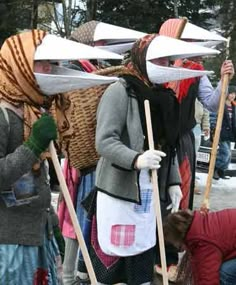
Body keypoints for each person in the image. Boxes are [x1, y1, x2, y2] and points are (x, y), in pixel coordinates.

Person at [0, 30, 61, 284]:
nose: (49, 68)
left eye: (52, 62)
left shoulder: (31, 109)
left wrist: (51, 221)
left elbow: (36, 178)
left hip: (37, 235)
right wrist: (34, 144)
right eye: (41, 61)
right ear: (20, 63)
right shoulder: (2, 112)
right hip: (10, 243)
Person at [163, 209, 236, 285]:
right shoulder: (199, 225)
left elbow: (208, 280)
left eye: (173, 243)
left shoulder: (203, 244)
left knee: (225, 273)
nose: (175, 247)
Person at [210, 85, 236, 180]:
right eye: (231, 93)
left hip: (230, 134)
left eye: (234, 94)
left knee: (228, 156)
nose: (232, 95)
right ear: (227, 94)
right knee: (226, 154)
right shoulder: (221, 104)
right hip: (221, 132)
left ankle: (221, 171)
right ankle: (214, 168)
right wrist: (213, 128)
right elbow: (213, 117)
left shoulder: (233, 106)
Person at [192, 98, 210, 194]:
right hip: (183, 125)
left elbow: (206, 109)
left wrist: (206, 126)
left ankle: (193, 183)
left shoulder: (200, 92)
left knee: (193, 157)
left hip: (196, 126)